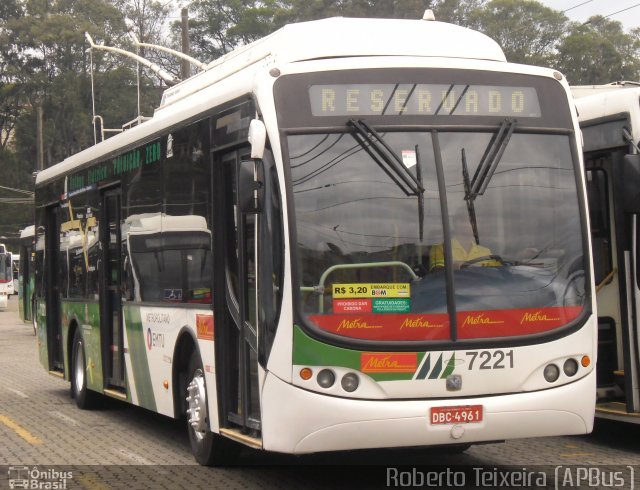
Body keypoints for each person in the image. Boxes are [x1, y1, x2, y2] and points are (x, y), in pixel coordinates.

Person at [430, 211, 501, 272]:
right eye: (463, 221)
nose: (468, 224)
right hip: (453, 287)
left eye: (472, 221)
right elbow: (436, 273)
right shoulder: (441, 248)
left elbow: (500, 271)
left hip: (481, 287)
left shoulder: (485, 252)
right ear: (455, 224)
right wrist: (452, 267)